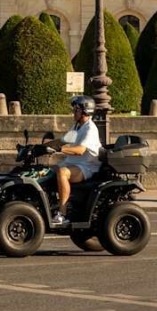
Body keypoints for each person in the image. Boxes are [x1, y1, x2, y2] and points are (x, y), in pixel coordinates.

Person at [45, 95, 101, 225]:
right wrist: (41, 147)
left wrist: (59, 149)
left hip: (86, 167)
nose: (73, 112)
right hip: (73, 164)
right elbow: (62, 141)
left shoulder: (90, 129)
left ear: (85, 111)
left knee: (62, 172)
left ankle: (62, 214)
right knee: (47, 171)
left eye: (76, 110)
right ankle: (50, 205)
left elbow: (80, 150)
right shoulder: (77, 127)